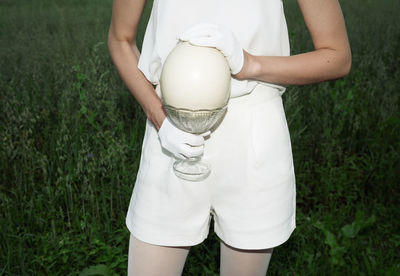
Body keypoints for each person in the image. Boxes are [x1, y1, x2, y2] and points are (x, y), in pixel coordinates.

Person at [107, 0, 351, 275]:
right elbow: (121, 39)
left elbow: (337, 56)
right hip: (170, 136)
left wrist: (251, 64)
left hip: (254, 136)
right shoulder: (165, 127)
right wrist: (160, 120)